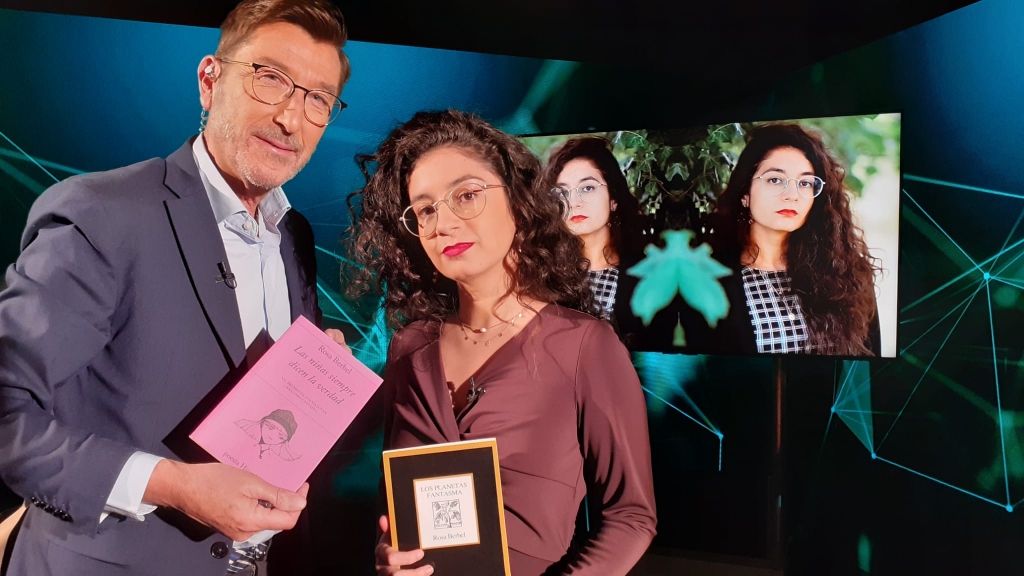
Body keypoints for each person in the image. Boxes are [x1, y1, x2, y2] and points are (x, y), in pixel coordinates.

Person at [0, 1, 351, 574]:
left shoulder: (295, 237)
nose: (292, 118)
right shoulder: (102, 214)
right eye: (271, 79)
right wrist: (172, 484)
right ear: (210, 80)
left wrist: (317, 373)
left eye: (319, 99)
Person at [345, 110, 657, 575]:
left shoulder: (584, 346)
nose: (443, 223)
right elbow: (392, 505)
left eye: (466, 195)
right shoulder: (408, 348)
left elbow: (632, 517)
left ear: (517, 200)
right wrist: (388, 556)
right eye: (426, 210)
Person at [700, 122, 881, 356]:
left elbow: (870, 363)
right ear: (745, 193)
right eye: (775, 179)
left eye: (805, 183)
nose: (792, 195)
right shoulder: (708, 277)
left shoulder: (846, 271)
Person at [538, 137, 652, 345]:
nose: (574, 202)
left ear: (613, 200)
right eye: (562, 192)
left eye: (587, 188)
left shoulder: (647, 274)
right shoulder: (543, 272)